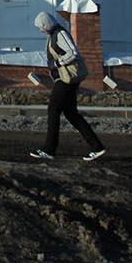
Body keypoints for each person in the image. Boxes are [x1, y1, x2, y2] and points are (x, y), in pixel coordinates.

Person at [28, 11, 107, 162]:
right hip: (65, 78)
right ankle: (97, 147)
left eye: (41, 27)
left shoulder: (60, 33)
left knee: (53, 110)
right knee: (71, 114)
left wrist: (58, 63)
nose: (40, 30)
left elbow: (73, 52)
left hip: (66, 79)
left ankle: (49, 149)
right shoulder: (54, 34)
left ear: (46, 24)